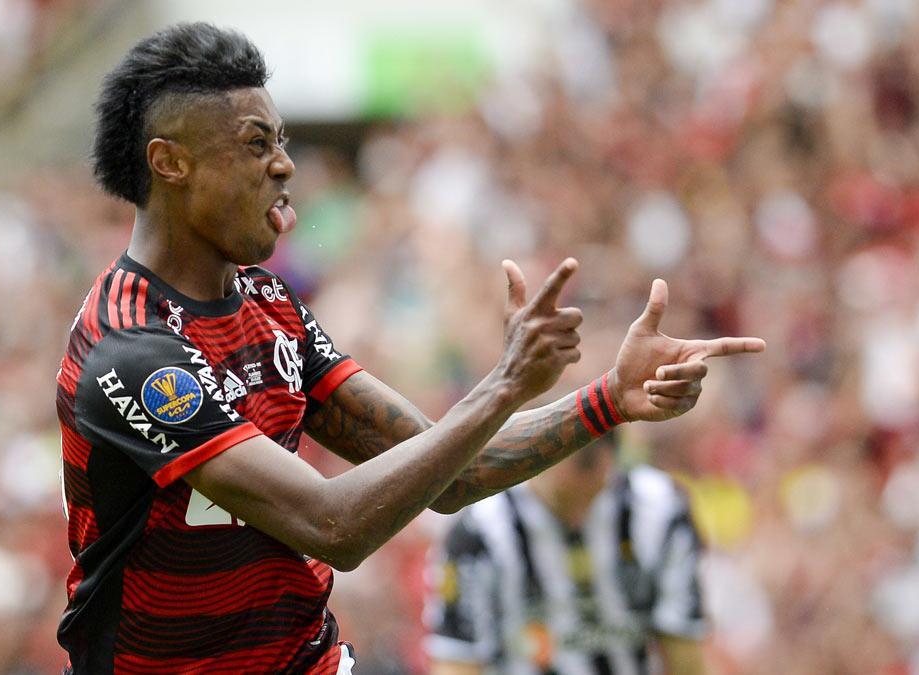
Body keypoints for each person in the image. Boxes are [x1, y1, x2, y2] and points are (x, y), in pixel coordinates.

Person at [55, 22, 764, 674]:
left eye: (282, 143)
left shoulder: (272, 306)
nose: (283, 166)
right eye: (255, 143)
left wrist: (610, 399)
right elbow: (331, 524)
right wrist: (503, 385)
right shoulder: (131, 348)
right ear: (170, 162)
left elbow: (447, 473)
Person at [424, 434, 707, 675]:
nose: (577, 518)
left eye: (592, 497)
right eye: (563, 501)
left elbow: (683, 651)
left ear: (612, 462)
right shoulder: (481, 530)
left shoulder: (660, 510)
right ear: (534, 467)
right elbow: (457, 661)